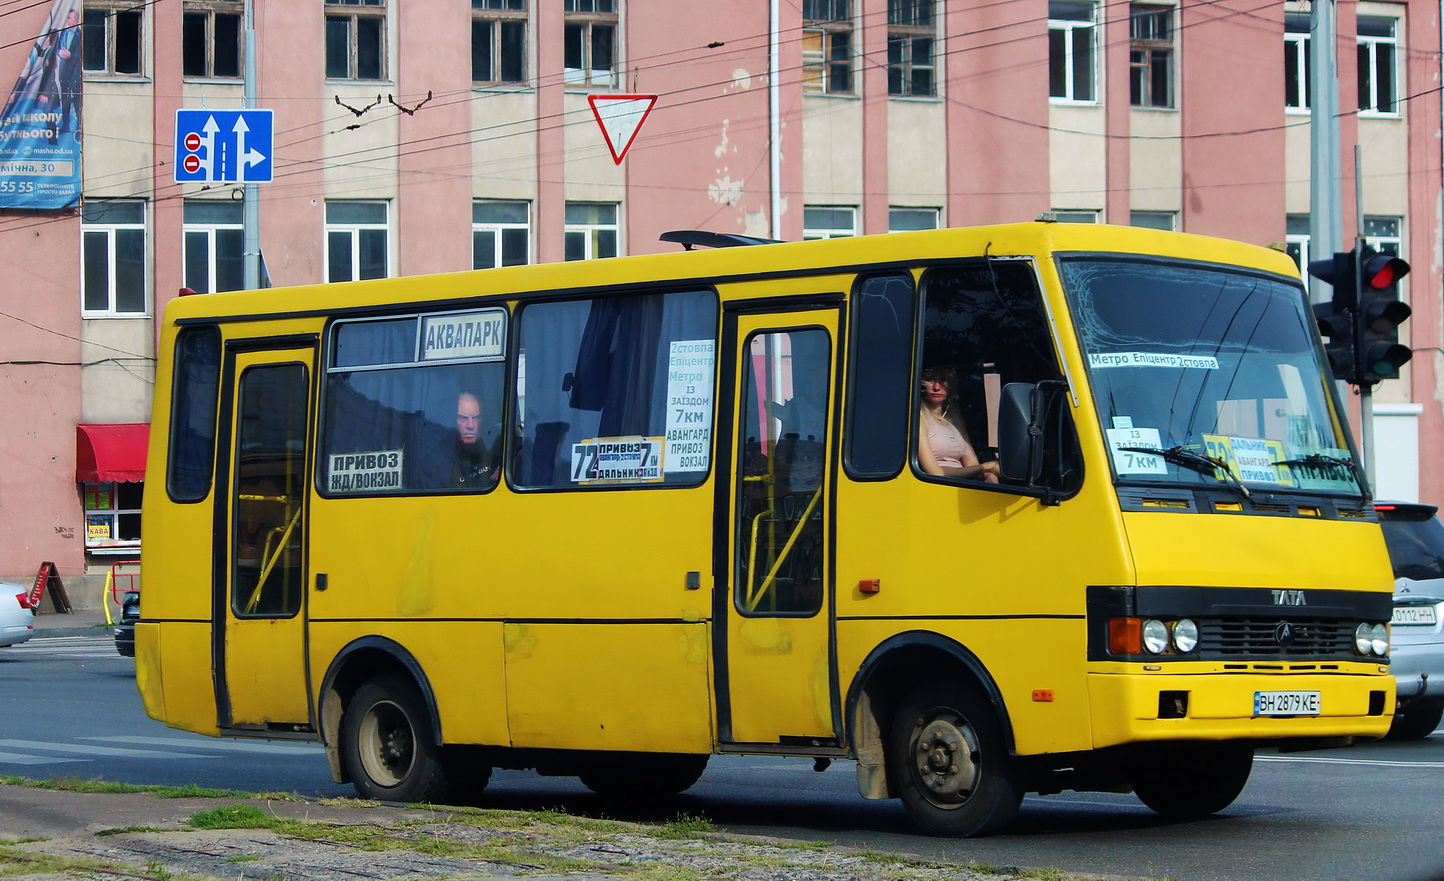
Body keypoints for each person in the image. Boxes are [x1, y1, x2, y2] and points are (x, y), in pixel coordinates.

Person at [917, 365, 999, 483]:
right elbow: (936, 473)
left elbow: (972, 463)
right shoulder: (920, 418)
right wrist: (986, 467)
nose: (936, 387)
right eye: (930, 380)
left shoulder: (954, 420)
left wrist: (987, 475)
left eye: (943, 381)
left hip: (963, 486)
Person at [450, 392, 496, 488]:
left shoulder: (487, 446)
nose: (471, 426)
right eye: (463, 418)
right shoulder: (443, 457)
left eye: (475, 418)